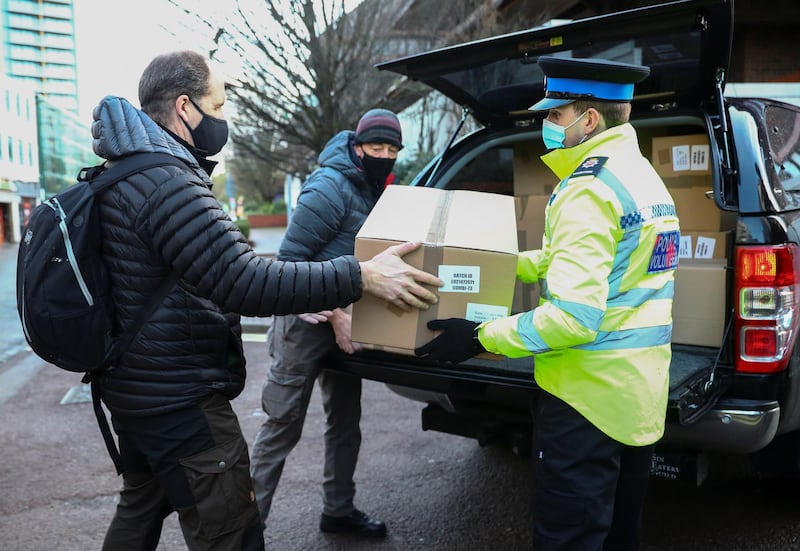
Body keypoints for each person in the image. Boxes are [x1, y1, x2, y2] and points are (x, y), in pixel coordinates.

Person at [91, 51, 442, 551]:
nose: (224, 117)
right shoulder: (169, 181)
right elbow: (246, 280)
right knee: (233, 529)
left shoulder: (125, 171)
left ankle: (337, 509)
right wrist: (359, 277)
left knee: (139, 508)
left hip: (139, 387)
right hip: (179, 397)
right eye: (220, 103)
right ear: (186, 107)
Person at [415, 56, 680, 550]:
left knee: (570, 537)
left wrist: (479, 337)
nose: (546, 126)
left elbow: (573, 319)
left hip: (585, 399)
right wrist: (502, 262)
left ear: (590, 119)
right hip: (637, 392)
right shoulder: (639, 176)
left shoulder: (587, 189)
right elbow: (605, 262)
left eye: (554, 116)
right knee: (620, 533)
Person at [249, 109, 403, 538]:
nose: (384, 155)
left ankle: (338, 510)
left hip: (344, 321)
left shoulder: (375, 189)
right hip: (305, 321)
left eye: (392, 149)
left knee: (345, 423)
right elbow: (290, 263)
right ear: (357, 146)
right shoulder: (328, 187)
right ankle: (244, 533)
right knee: (281, 427)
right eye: (377, 147)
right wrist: (337, 316)